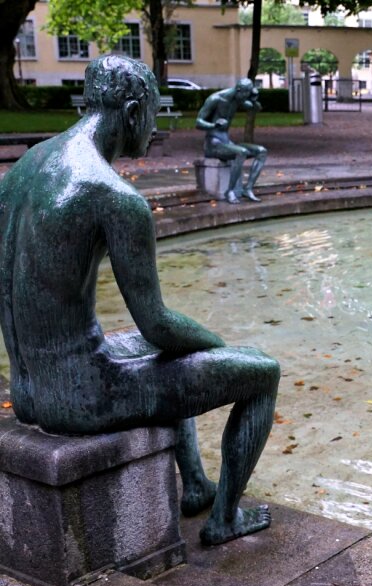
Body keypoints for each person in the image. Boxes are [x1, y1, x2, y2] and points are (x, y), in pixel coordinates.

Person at [0, 54, 280, 546]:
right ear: (132, 112)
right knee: (261, 373)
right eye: (150, 115)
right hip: (84, 397)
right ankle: (224, 520)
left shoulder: (23, 171)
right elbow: (158, 324)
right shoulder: (115, 197)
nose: (150, 128)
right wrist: (211, 344)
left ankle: (194, 484)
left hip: (28, 390)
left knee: (159, 357)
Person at [196, 78, 268, 204]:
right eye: (245, 94)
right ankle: (229, 191)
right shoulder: (216, 99)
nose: (245, 98)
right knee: (241, 152)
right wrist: (214, 125)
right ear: (238, 90)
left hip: (227, 142)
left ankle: (248, 188)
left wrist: (254, 99)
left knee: (261, 151)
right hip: (213, 144)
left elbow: (255, 108)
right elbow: (198, 122)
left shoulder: (237, 99)